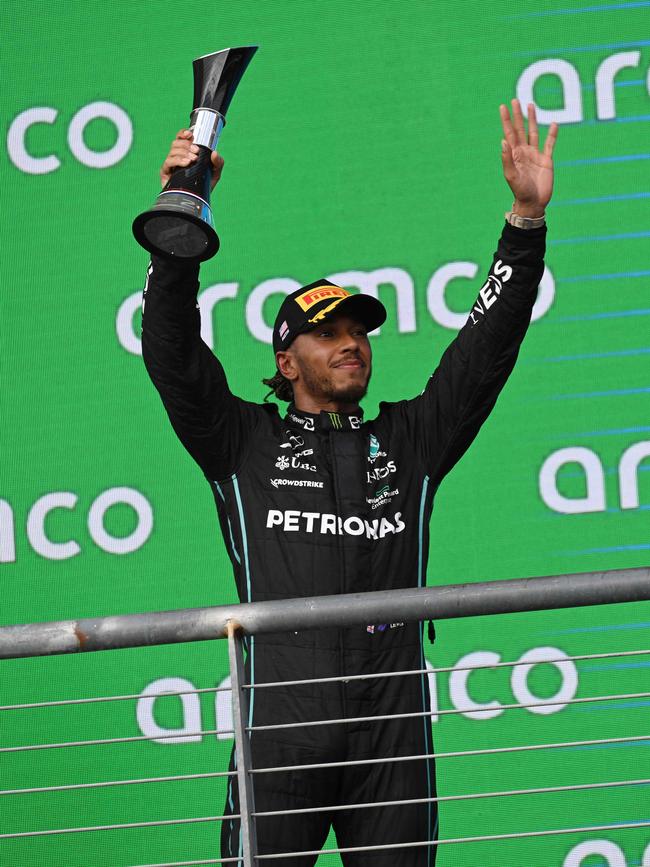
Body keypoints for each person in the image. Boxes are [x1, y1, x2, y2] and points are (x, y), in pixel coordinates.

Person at [141, 99, 558, 865]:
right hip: (282, 739)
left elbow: (486, 347)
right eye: (327, 332)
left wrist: (523, 226)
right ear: (284, 361)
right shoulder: (240, 440)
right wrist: (178, 229)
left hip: (391, 739)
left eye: (358, 330)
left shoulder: (411, 436)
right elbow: (169, 351)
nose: (351, 343)